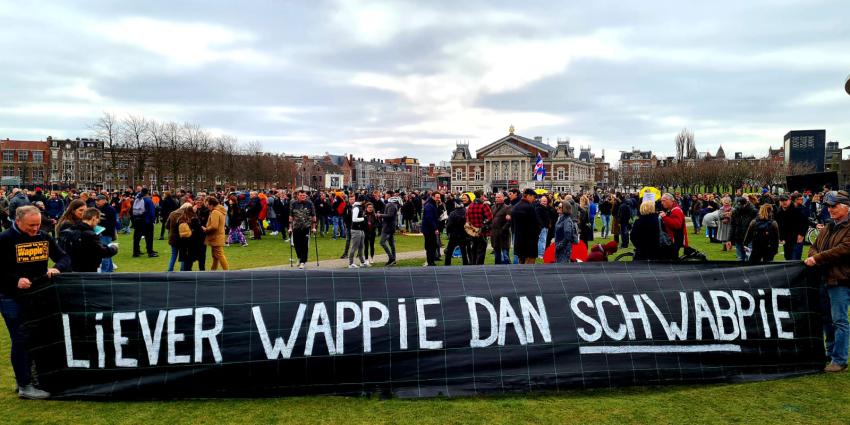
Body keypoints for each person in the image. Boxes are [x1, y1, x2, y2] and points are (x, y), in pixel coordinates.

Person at [0, 205, 70, 399]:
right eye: (31, 225)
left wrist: (56, 268)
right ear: (18, 220)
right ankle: (24, 384)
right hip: (11, 297)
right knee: (21, 339)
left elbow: (64, 257)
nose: (34, 229)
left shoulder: (44, 237)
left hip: (38, 296)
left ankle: (28, 378)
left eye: (38, 224)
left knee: (36, 339)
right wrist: (14, 280)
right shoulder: (5, 239)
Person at [805, 190, 850, 373]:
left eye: (834, 206)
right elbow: (813, 247)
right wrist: (814, 256)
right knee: (826, 319)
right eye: (829, 206)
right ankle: (831, 352)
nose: (830, 210)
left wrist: (817, 259)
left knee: (839, 320)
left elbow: (844, 249)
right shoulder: (829, 226)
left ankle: (839, 359)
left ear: (846, 207)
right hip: (825, 278)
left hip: (842, 279)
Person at [65, 208, 119, 272]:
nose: (98, 222)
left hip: (72, 268)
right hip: (87, 270)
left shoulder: (72, 230)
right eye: (97, 219)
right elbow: (102, 251)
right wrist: (114, 248)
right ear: (94, 218)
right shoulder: (90, 234)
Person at [775, 194, 808, 261]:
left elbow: (805, 222)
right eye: (782, 200)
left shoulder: (797, 210)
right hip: (786, 240)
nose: (784, 202)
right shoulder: (778, 213)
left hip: (796, 239)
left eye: (786, 200)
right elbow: (779, 226)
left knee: (795, 259)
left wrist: (801, 234)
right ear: (779, 202)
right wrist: (781, 237)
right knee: (787, 258)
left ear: (789, 200)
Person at [512, 189, 541, 264]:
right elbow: (535, 224)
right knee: (530, 262)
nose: (534, 199)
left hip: (519, 238)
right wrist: (537, 233)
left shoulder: (516, 206)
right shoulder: (529, 207)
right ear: (528, 196)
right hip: (530, 240)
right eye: (533, 197)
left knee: (521, 261)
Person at [289, 190, 316, 269]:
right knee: (296, 244)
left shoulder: (309, 203)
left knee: (304, 244)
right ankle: (299, 258)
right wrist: (290, 228)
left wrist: (313, 227)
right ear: (298, 196)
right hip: (296, 227)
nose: (302, 197)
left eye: (304, 195)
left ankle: (303, 262)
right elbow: (291, 216)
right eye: (301, 195)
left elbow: (313, 215)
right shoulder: (294, 204)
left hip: (306, 227)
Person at [466, 190, 493, 265]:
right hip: (482, 231)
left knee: (474, 248)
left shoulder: (470, 206)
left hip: (473, 231)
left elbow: (467, 219)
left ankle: (473, 264)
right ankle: (479, 265)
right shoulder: (484, 205)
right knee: (481, 250)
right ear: (481, 195)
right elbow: (490, 217)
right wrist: (484, 223)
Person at [728, 197, 758, 262]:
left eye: (742, 205)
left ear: (746, 203)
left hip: (750, 237)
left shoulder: (753, 211)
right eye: (739, 205)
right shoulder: (735, 211)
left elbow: (756, 225)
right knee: (740, 258)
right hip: (738, 236)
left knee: (749, 257)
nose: (740, 206)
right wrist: (729, 239)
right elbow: (732, 225)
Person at [659, 193, 688, 261]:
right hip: (674, 239)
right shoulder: (672, 209)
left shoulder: (676, 210)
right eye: (661, 201)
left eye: (664, 200)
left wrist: (664, 217)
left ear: (671, 200)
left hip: (675, 239)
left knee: (672, 258)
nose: (662, 203)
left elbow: (677, 225)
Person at [176, 206, 205, 271]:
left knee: (187, 264)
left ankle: (186, 276)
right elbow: (200, 233)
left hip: (184, 245)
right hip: (194, 244)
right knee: (200, 261)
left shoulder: (181, 219)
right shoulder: (194, 220)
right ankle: (202, 274)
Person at [203, 197, 228, 270]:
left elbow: (214, 226)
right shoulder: (219, 210)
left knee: (219, 255)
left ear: (211, 204)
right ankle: (213, 271)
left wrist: (206, 229)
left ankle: (227, 272)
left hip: (216, 237)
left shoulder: (215, 212)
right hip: (217, 236)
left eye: (207, 204)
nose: (206, 206)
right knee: (215, 256)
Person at [131, 188, 158, 258]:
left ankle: (136, 252)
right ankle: (150, 251)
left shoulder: (137, 199)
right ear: (147, 192)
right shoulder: (148, 200)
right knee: (149, 237)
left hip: (137, 220)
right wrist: (153, 220)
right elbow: (152, 211)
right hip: (147, 221)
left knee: (137, 237)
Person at [95, 195, 119, 272]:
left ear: (104, 200)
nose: (97, 202)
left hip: (106, 234)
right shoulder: (99, 208)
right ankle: (110, 269)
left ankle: (104, 272)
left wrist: (102, 230)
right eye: (96, 200)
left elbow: (113, 223)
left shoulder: (110, 209)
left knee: (104, 253)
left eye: (98, 200)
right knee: (107, 252)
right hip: (100, 232)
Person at [444, 198, 468, 266]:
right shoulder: (466, 212)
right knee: (464, 252)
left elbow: (449, 225)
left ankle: (447, 264)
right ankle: (465, 264)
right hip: (463, 234)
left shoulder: (452, 213)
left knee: (449, 251)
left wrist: (448, 232)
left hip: (454, 234)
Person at [379, 192, 400, 266]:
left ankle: (391, 258)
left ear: (390, 196)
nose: (385, 195)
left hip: (388, 227)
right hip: (390, 226)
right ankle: (393, 259)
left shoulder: (391, 204)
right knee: (391, 244)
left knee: (382, 242)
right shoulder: (393, 204)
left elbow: (390, 215)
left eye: (386, 195)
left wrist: (380, 215)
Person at [347, 196, 369, 268]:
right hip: (356, 230)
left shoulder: (359, 207)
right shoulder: (356, 207)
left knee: (361, 247)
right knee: (354, 247)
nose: (365, 203)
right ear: (362, 201)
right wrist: (363, 218)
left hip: (360, 229)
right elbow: (354, 219)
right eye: (365, 201)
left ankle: (362, 262)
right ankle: (350, 263)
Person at [490, 192, 511, 264]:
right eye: (496, 197)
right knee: (496, 251)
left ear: (503, 198)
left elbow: (509, 221)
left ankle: (507, 266)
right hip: (494, 233)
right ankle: (497, 266)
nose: (497, 199)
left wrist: (503, 229)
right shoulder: (492, 207)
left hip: (503, 233)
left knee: (505, 252)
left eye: (499, 197)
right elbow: (490, 219)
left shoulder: (507, 207)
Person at [421, 191, 440, 266]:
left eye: (439, 197)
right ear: (432, 196)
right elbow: (429, 218)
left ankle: (431, 260)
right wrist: (435, 228)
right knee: (430, 245)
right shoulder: (429, 205)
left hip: (430, 228)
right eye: (437, 197)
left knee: (433, 245)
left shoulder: (433, 204)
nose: (438, 199)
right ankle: (430, 261)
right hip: (428, 229)